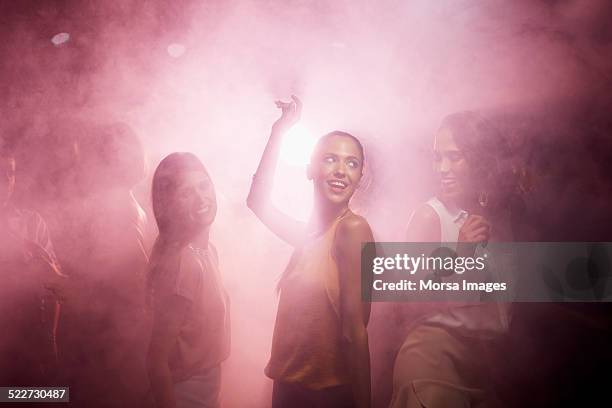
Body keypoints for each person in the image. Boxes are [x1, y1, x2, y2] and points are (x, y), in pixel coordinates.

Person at [247, 96, 373, 408]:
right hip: (289, 390)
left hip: (326, 396)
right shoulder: (310, 235)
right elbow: (257, 201)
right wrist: (280, 131)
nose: (341, 170)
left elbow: (355, 332)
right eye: (331, 159)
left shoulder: (353, 229)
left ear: (360, 178)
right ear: (310, 169)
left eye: (352, 163)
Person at [390, 111, 515, 408]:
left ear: (479, 160)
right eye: (437, 158)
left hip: (480, 372)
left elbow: (501, 313)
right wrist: (460, 256)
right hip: (431, 367)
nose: (442, 168)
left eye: (454, 156)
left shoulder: (499, 222)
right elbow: (407, 301)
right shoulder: (429, 216)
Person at [146, 152, 230, 408]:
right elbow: (156, 360)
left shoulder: (206, 251)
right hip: (184, 395)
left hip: (205, 390)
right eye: (186, 193)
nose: (201, 198)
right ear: (169, 205)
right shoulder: (186, 263)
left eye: (204, 185)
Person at [0, 137, 66, 386]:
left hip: (30, 341)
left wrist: (49, 340)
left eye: (11, 173)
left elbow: (54, 286)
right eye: (0, 173)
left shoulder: (32, 222)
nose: (6, 180)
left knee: (47, 397)